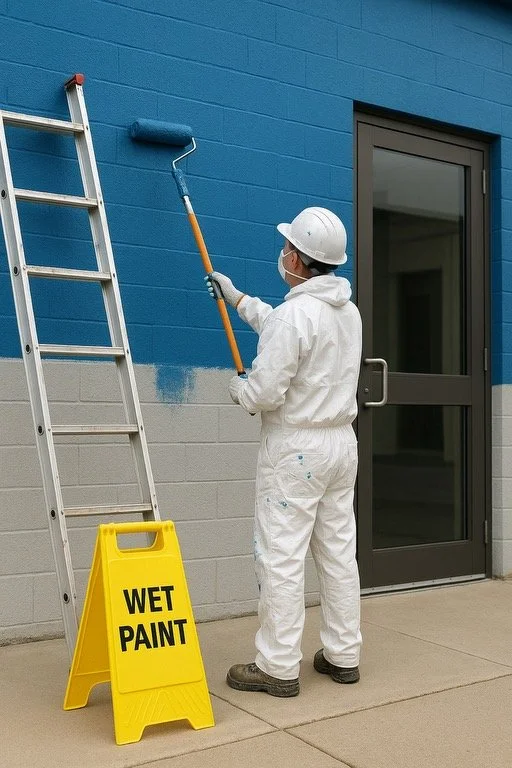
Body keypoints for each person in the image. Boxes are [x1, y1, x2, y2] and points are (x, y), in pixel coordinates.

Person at [206, 207, 362, 698]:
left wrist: (240, 390)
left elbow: (264, 392)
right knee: (338, 553)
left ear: (297, 256)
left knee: (281, 555)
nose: (284, 254)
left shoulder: (297, 314)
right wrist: (238, 300)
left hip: (296, 451)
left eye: (287, 247)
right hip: (340, 446)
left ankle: (277, 666)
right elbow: (284, 331)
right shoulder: (346, 311)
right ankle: (343, 655)